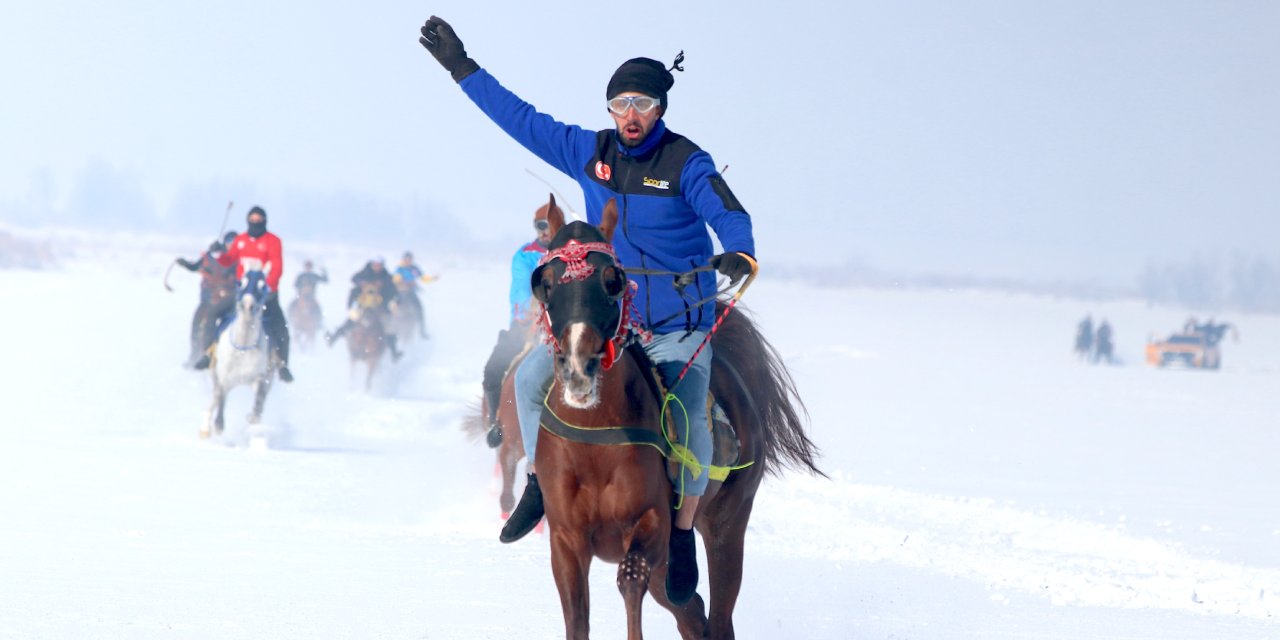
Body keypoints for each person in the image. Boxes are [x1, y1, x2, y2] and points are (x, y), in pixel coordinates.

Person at [420, 17, 757, 605]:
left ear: (660, 108)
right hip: (617, 323)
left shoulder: (686, 162)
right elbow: (521, 119)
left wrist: (738, 250)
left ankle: (679, 537)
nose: (631, 113)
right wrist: (462, 69)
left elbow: (728, 212)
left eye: (644, 103)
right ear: (609, 108)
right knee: (528, 377)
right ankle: (535, 486)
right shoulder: (589, 151)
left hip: (679, 323)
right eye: (620, 102)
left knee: (692, 422)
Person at [480, 198, 553, 446]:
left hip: (557, 326)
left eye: (548, 225)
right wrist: (532, 308)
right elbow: (520, 290)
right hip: (526, 326)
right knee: (493, 370)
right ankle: (495, 421)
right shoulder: (525, 255)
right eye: (539, 225)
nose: (544, 230)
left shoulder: (567, 253)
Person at [192, 206, 294, 383]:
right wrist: (218, 252)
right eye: (252, 220)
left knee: (281, 328)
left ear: (264, 221)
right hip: (241, 294)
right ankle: (208, 354)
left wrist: (267, 288)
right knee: (211, 313)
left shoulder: (273, 241)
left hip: (265, 295)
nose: (255, 223)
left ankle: (283, 365)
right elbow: (228, 260)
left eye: (258, 220)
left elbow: (277, 268)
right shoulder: (241, 240)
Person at [176, 231, 239, 367]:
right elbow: (195, 266)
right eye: (229, 243)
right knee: (198, 322)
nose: (231, 246)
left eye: (235, 243)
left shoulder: (240, 259)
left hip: (231, 300)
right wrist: (185, 264)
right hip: (209, 299)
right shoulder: (213, 256)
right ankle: (196, 354)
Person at [326, 258, 405, 361]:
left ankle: (394, 352)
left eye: (379, 265)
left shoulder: (386, 277)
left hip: (380, 307)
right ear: (372, 265)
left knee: (388, 328)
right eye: (375, 265)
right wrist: (363, 283)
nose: (377, 267)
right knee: (351, 320)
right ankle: (334, 337)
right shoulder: (365, 273)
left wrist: (385, 290)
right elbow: (354, 279)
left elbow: (394, 292)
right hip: (363, 306)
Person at [391, 251, 438, 339]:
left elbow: (423, 277)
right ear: (403, 260)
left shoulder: (414, 269)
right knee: (393, 309)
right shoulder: (399, 268)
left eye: (410, 259)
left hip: (411, 293)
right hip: (400, 293)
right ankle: (392, 331)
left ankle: (422, 331)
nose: (408, 261)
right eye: (406, 259)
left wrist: (432, 278)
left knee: (419, 309)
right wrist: (404, 281)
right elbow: (395, 278)